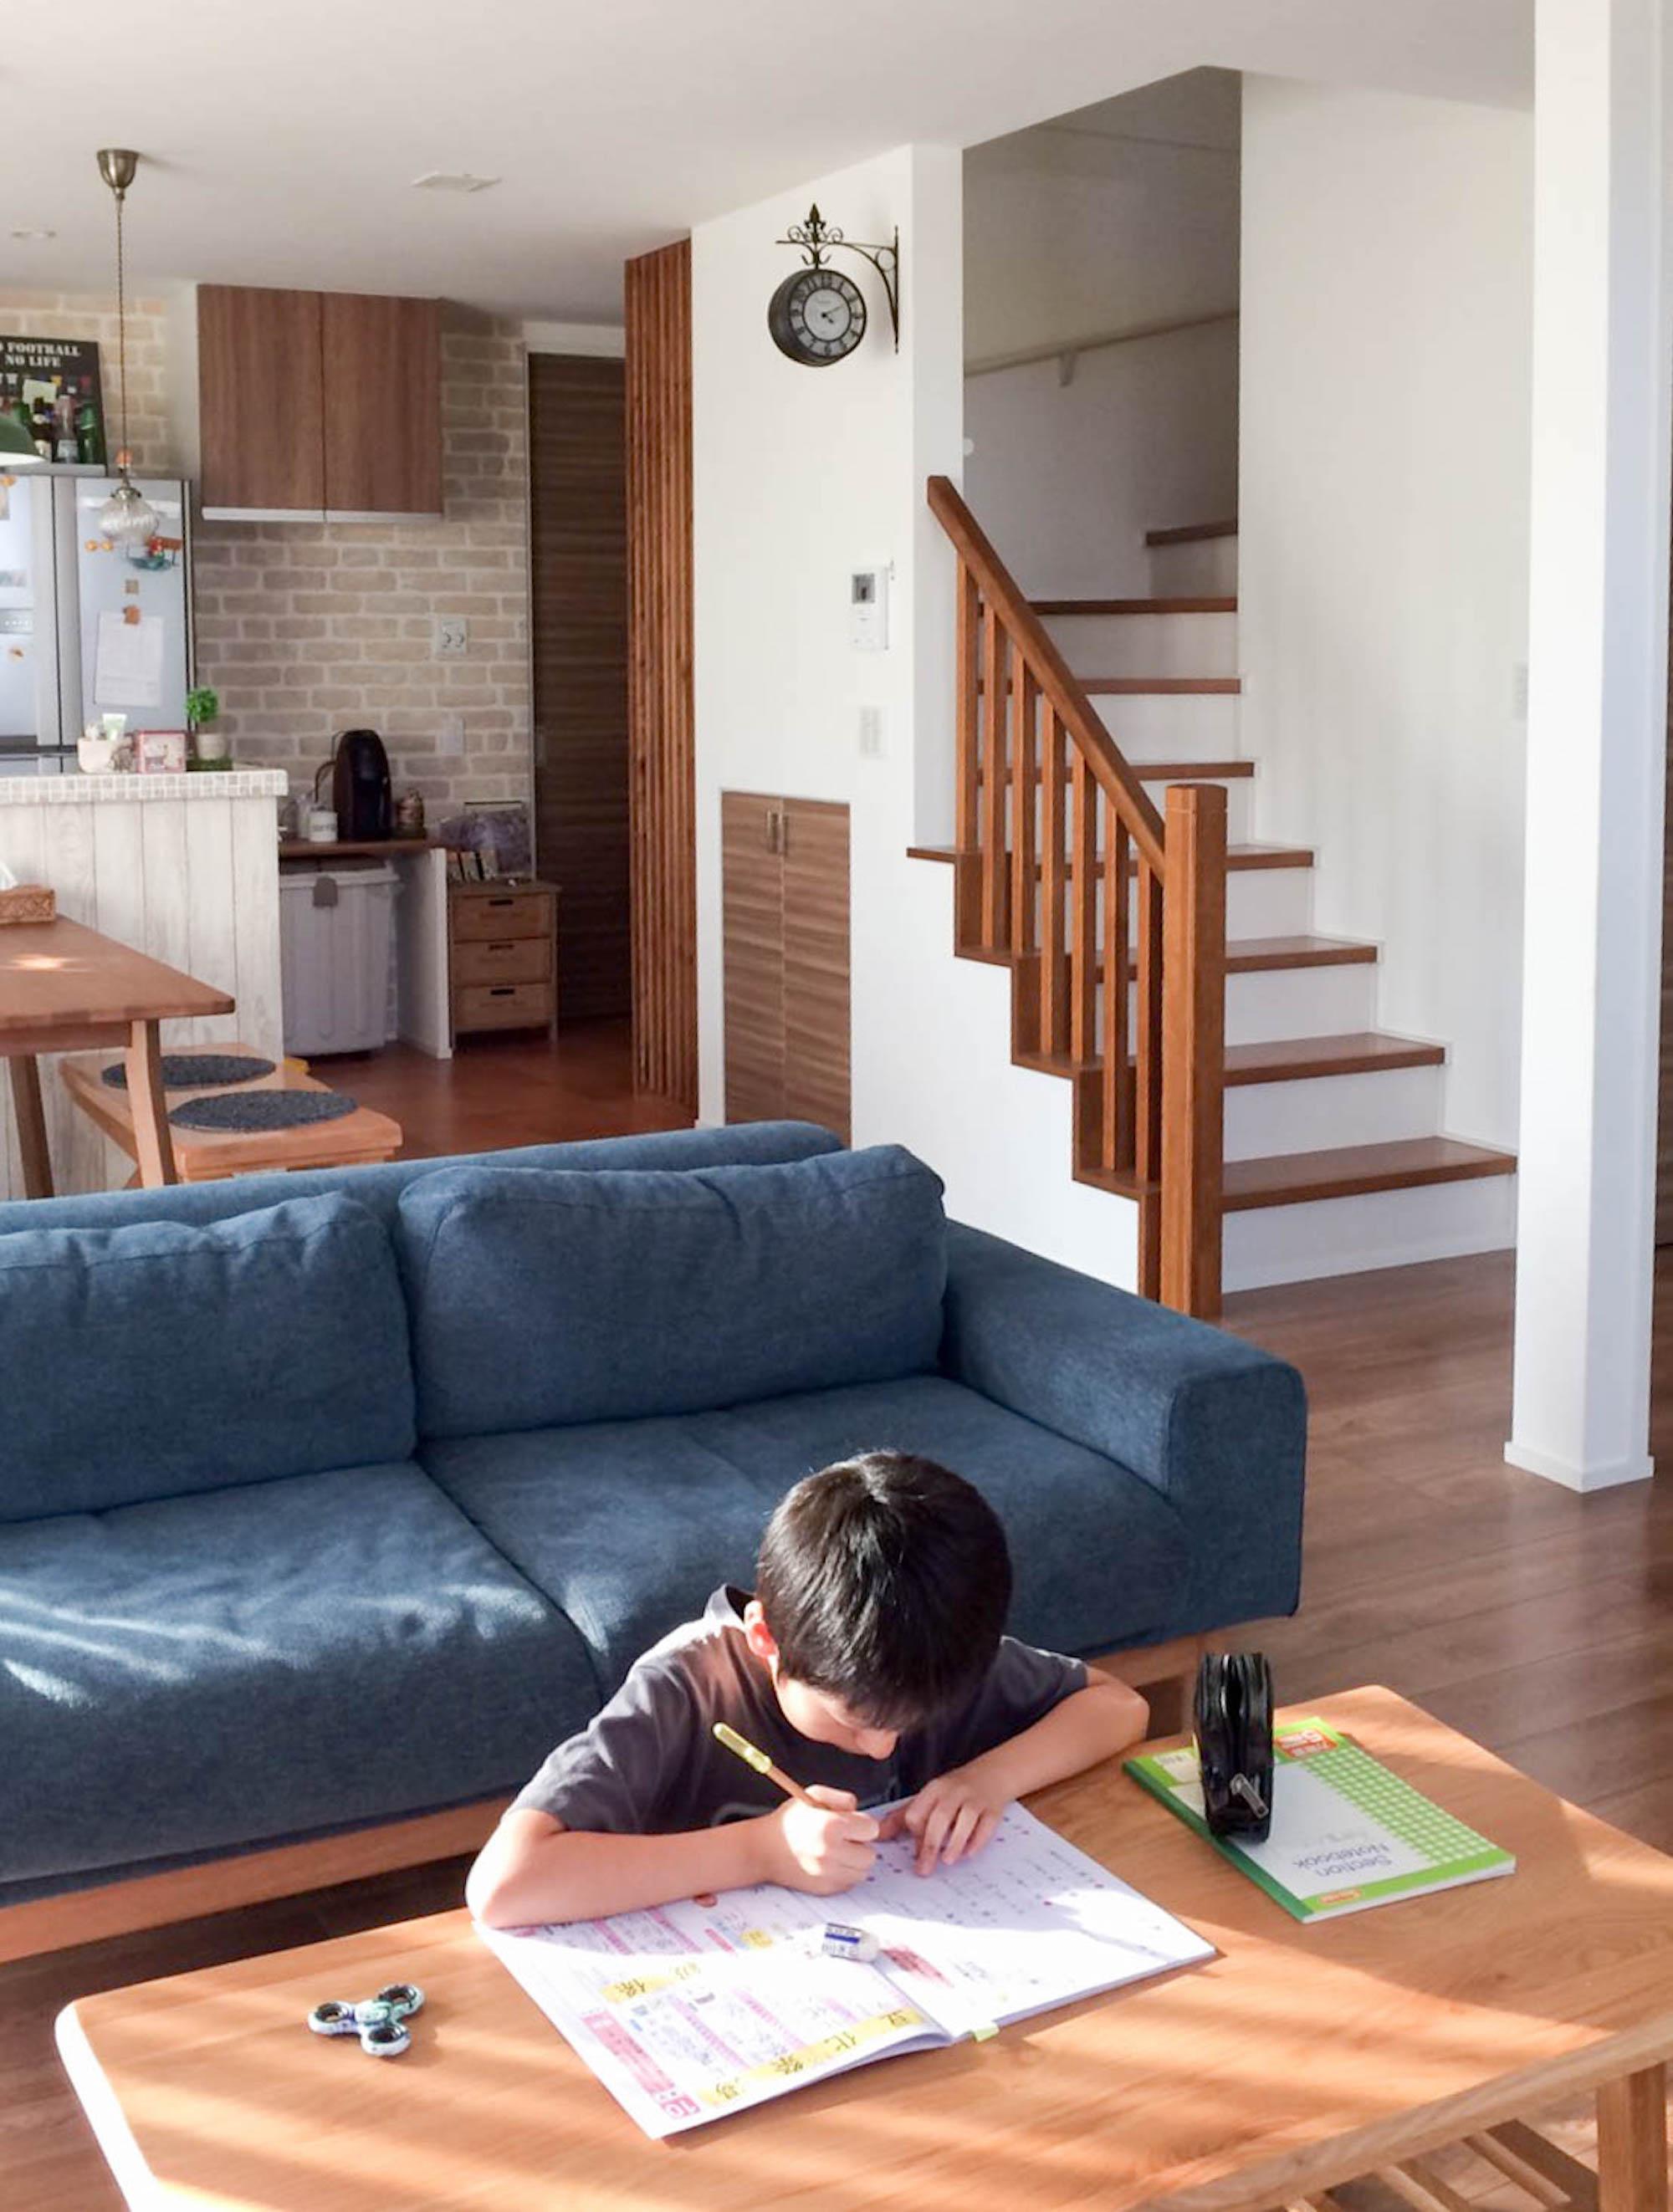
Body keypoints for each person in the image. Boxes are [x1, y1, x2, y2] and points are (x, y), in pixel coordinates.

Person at [467, 1450, 1150, 1928]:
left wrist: (989, 1779)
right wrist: (762, 1850)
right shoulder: (686, 1688)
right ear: (766, 1638)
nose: (883, 1746)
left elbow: (1119, 1706)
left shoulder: (922, 1653)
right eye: (853, 1719)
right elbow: (503, 1884)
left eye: (913, 1721)